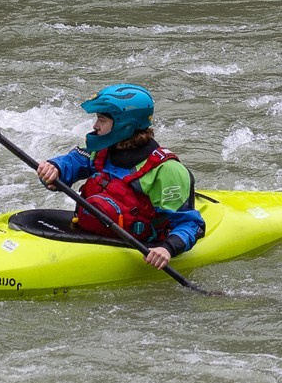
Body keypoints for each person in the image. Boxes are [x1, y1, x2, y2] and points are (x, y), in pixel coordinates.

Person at [32, 84, 206, 269]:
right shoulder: (100, 151)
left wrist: (167, 249)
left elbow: (191, 225)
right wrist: (54, 168)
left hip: (142, 246)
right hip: (95, 233)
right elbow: (71, 163)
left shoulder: (167, 171)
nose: (95, 126)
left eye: (102, 120)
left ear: (125, 125)